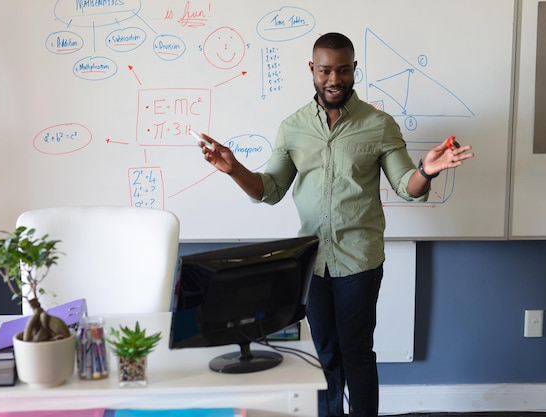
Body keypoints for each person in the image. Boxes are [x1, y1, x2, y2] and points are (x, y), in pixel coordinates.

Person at [196, 32, 474, 417]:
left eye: (343, 70)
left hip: (358, 261)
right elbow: (271, 190)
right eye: (325, 70)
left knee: (356, 352)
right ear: (312, 70)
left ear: (354, 70)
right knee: (324, 353)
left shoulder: (379, 125)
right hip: (312, 262)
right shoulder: (292, 127)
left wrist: (426, 170)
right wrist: (235, 170)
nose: (334, 79)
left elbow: (406, 186)